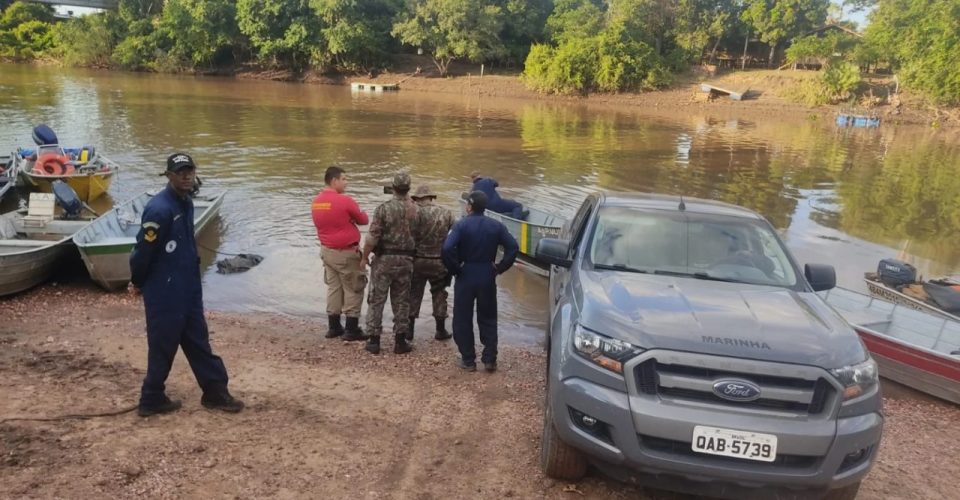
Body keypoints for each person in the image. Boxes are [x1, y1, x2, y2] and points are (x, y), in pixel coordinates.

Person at [129, 153, 243, 417]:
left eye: (190, 171)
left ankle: (215, 392)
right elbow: (142, 252)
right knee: (163, 343)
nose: (187, 176)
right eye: (180, 172)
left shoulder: (186, 202)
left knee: (197, 339)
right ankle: (151, 397)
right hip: (164, 290)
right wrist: (137, 281)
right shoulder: (159, 209)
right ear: (169, 176)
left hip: (188, 286)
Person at [442, 191, 519, 372]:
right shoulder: (496, 226)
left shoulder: (461, 225)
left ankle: (468, 360)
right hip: (487, 273)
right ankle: (489, 359)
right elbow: (513, 247)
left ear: (469, 206)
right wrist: (500, 267)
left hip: (466, 273)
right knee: (488, 317)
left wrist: (455, 269)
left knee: (462, 317)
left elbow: (446, 248)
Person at [361, 173, 418, 355]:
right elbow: (420, 236)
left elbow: (372, 237)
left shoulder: (383, 209)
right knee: (402, 301)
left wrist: (364, 257)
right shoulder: (416, 209)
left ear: (393, 188)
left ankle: (374, 341)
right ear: (408, 188)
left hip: (384, 260)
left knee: (377, 299)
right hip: (406, 260)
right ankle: (400, 341)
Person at [312, 166, 369, 341]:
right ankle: (351, 329)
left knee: (334, 288)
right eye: (344, 179)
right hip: (345, 253)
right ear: (334, 180)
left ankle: (334, 327)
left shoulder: (316, 202)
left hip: (327, 251)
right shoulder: (345, 200)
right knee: (353, 287)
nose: (346, 182)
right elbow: (364, 220)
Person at [408, 185, 456, 341]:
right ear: (431, 197)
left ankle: (409, 331)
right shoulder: (446, 213)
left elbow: (407, 236)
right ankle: (440, 331)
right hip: (439, 261)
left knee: (414, 294)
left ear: (418, 199)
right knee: (439, 294)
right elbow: (457, 233)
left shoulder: (413, 213)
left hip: (418, 261)